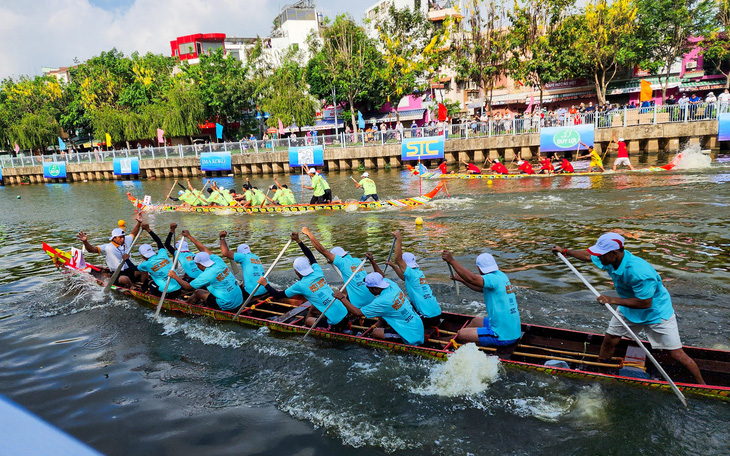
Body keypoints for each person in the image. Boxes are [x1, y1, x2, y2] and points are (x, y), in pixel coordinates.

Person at [551, 233, 705, 384]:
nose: (599, 258)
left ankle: (703, 385)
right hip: (628, 306)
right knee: (610, 340)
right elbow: (587, 256)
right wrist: (565, 251)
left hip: (656, 312)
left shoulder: (640, 272)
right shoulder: (610, 260)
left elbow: (645, 303)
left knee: (676, 353)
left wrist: (612, 300)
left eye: (602, 255)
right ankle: (602, 375)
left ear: (614, 253)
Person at [257, 232, 349, 331]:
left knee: (307, 320)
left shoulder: (300, 285)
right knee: (314, 305)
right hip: (345, 312)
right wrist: (298, 241)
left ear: (296, 271)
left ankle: (323, 326)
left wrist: (265, 284)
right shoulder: (317, 271)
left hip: (336, 323)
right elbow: (310, 256)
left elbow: (277, 296)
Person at [441, 250, 521, 347]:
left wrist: (452, 261)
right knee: (475, 321)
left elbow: (472, 279)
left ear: (479, 268)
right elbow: (479, 287)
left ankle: (453, 345)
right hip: (512, 331)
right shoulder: (501, 276)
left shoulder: (491, 278)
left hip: (502, 336)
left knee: (462, 333)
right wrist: (461, 279)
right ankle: (457, 341)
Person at [335, 272, 424, 346]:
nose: (369, 291)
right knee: (383, 317)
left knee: (375, 332)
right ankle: (383, 324)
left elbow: (357, 312)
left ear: (374, 288)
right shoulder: (391, 285)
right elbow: (383, 276)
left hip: (411, 336)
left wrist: (342, 299)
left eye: (369, 289)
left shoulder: (381, 301)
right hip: (417, 324)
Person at [167, 230, 243, 312]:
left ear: (200, 265)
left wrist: (175, 276)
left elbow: (188, 287)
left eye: (196, 264)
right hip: (240, 299)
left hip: (227, 305)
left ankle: (185, 308)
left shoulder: (206, 275)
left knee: (198, 292)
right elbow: (203, 249)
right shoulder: (218, 260)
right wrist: (189, 236)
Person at [300, 227, 374, 308]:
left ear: (337, 257)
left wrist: (309, 234)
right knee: (342, 288)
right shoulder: (357, 260)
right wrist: (332, 261)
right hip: (372, 298)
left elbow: (322, 250)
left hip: (359, 305)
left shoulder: (341, 262)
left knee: (337, 294)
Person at [379, 231, 442, 327]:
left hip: (427, 317)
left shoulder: (411, 273)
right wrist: (393, 266)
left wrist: (399, 238)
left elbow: (398, 258)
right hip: (437, 313)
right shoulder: (418, 273)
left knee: (395, 317)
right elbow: (403, 278)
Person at [77, 214, 145, 287]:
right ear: (114, 238)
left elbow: (133, 233)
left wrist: (139, 223)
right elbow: (91, 250)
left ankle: (145, 286)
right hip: (117, 274)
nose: (123, 239)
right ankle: (133, 288)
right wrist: (85, 242)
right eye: (120, 237)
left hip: (129, 270)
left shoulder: (126, 240)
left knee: (144, 270)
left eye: (123, 237)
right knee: (124, 279)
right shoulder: (107, 247)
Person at [136, 223, 181, 299]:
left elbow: (133, 268)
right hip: (179, 288)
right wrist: (148, 229)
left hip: (167, 293)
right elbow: (158, 241)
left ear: (142, 256)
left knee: (150, 283)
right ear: (152, 250)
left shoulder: (145, 265)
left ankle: (146, 292)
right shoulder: (162, 254)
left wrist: (126, 259)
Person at [219, 231, 267, 301]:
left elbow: (225, 253)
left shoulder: (243, 256)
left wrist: (222, 238)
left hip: (253, 292)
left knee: (232, 293)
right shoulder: (256, 257)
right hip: (265, 288)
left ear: (240, 253)